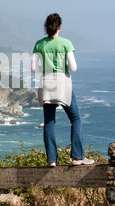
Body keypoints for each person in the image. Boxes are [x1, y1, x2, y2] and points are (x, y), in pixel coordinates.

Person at [31, 13, 94, 167]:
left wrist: (47, 68)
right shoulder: (66, 43)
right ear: (59, 26)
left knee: (49, 122)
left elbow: (33, 68)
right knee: (76, 119)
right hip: (62, 83)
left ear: (46, 27)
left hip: (46, 83)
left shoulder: (39, 44)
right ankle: (77, 157)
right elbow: (73, 67)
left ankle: (52, 160)